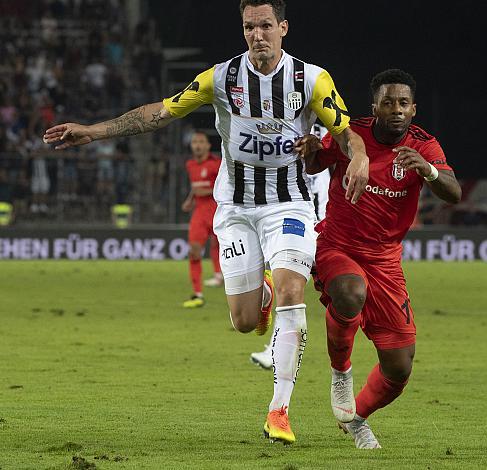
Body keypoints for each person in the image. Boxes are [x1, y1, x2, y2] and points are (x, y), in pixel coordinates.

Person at [43, 0, 369, 444]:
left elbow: (346, 130)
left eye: (266, 25)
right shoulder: (221, 78)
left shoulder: (310, 79)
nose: (258, 34)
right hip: (234, 208)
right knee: (243, 320)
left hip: (289, 204)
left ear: (284, 28)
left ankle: (279, 411)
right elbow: (161, 112)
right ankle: (263, 294)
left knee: (296, 290)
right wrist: (94, 131)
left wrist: (361, 157)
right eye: (249, 26)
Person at [298, 69, 461, 448]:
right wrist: (310, 151)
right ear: (374, 107)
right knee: (350, 293)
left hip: (386, 262)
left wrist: (430, 171)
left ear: (414, 109)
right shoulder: (350, 134)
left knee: (400, 367)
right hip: (339, 245)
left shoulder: (425, 146)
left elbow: (452, 192)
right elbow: (314, 164)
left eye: (403, 103)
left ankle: (356, 418)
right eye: (387, 102)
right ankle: (341, 373)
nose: (396, 110)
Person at [250, 123, 331, 369]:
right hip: (294, 212)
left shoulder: (326, 131)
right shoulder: (282, 124)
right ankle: (275, 349)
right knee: (292, 284)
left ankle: (266, 294)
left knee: (331, 293)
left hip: (321, 214)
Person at [181, 131, 223, 308]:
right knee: (194, 251)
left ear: (207, 145)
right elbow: (195, 187)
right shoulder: (190, 164)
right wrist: (190, 199)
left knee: (218, 244)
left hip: (216, 210)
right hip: (199, 213)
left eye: (200, 142)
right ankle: (197, 293)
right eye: (194, 142)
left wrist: (205, 192)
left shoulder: (217, 164)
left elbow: (223, 187)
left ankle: (220, 276)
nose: (197, 145)